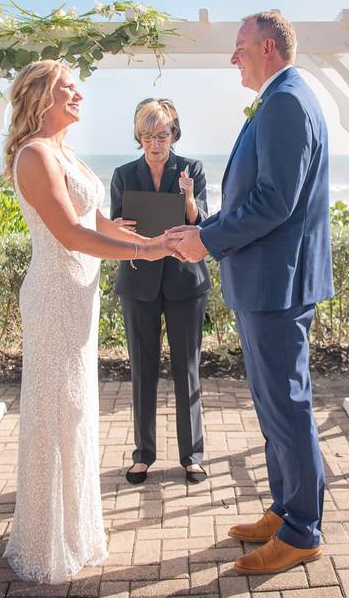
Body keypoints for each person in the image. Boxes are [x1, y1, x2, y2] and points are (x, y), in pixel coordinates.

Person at [167, 11, 334, 575]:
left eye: (239, 47)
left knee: (287, 405)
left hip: (275, 285)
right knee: (272, 403)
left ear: (267, 47)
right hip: (267, 281)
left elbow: (274, 202)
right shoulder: (280, 98)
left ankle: (303, 531)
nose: (232, 57)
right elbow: (260, 199)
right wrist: (204, 228)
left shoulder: (287, 101)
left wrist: (206, 241)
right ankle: (286, 510)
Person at [2, 60, 173, 584]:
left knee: (76, 410)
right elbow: (69, 235)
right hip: (55, 294)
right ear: (41, 97)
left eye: (77, 88)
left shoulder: (63, 151)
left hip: (80, 294)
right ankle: (46, 537)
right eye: (67, 89)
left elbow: (93, 219)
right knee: (56, 410)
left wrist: (126, 233)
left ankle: (76, 529)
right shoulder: (34, 155)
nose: (78, 95)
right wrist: (144, 248)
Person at [110, 98, 211, 485]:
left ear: (173, 134)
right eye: (148, 135)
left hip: (185, 281)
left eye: (163, 134)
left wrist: (187, 195)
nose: (156, 142)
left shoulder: (192, 169)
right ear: (139, 136)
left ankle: (193, 455)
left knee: (187, 369)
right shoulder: (122, 174)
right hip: (138, 281)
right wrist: (119, 226)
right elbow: (116, 227)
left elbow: (199, 220)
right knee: (142, 370)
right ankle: (143, 454)